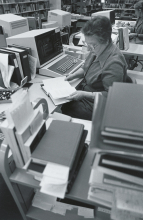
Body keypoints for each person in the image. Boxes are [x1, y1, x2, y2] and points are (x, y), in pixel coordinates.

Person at [61, 16, 128, 120]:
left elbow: (110, 96)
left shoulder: (114, 63)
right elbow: (85, 68)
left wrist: (84, 94)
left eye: (92, 45)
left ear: (106, 40)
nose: (88, 48)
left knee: (65, 107)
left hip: (100, 104)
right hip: (88, 93)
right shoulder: (98, 49)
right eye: (87, 43)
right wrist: (72, 76)